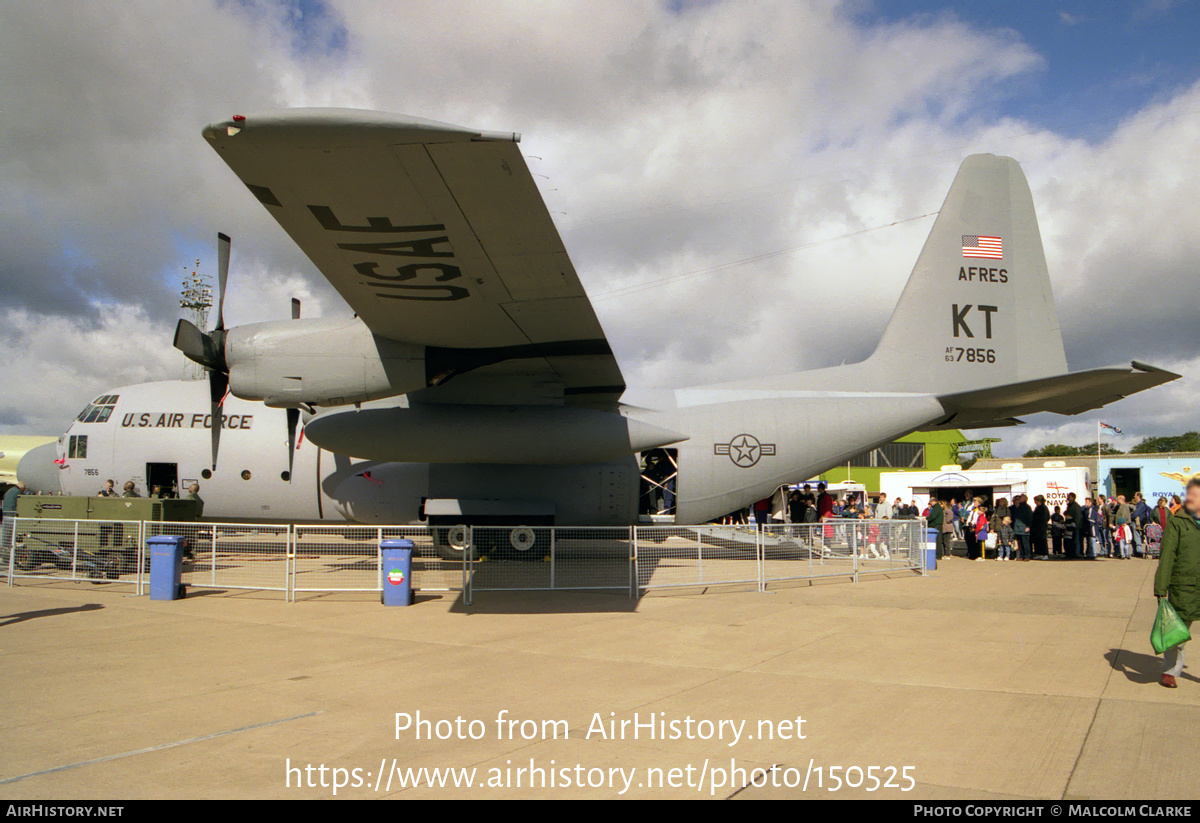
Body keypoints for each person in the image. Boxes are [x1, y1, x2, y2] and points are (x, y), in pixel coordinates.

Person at [1154, 477, 1200, 688]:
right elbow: (1167, 556)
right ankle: (1170, 671)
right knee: (1178, 633)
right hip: (1186, 585)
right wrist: (1161, 588)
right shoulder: (1177, 521)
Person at [2, 481, 27, 549]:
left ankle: (5, 548)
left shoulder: (9, 491)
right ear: (22, 488)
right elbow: (23, 502)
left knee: (6, 534)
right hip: (12, 515)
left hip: (5, 514)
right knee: (10, 533)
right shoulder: (18, 493)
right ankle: (9, 548)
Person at [1011, 494, 1033, 561]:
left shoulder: (1027, 507)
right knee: (1019, 542)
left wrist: (1028, 526)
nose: (1019, 499)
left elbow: (1030, 517)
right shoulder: (1019, 507)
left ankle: (1027, 556)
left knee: (1025, 542)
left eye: (1021, 498)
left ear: (1024, 499)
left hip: (1024, 527)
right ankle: (1021, 555)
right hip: (1018, 527)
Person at [1064, 493, 1083, 559]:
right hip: (1070, 526)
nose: (1068, 498)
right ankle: (1070, 553)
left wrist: (1076, 525)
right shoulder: (1070, 505)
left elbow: (1078, 517)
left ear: (1073, 497)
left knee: (1076, 540)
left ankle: (1077, 553)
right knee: (1070, 540)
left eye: (1069, 496)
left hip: (1074, 526)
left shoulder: (1076, 506)